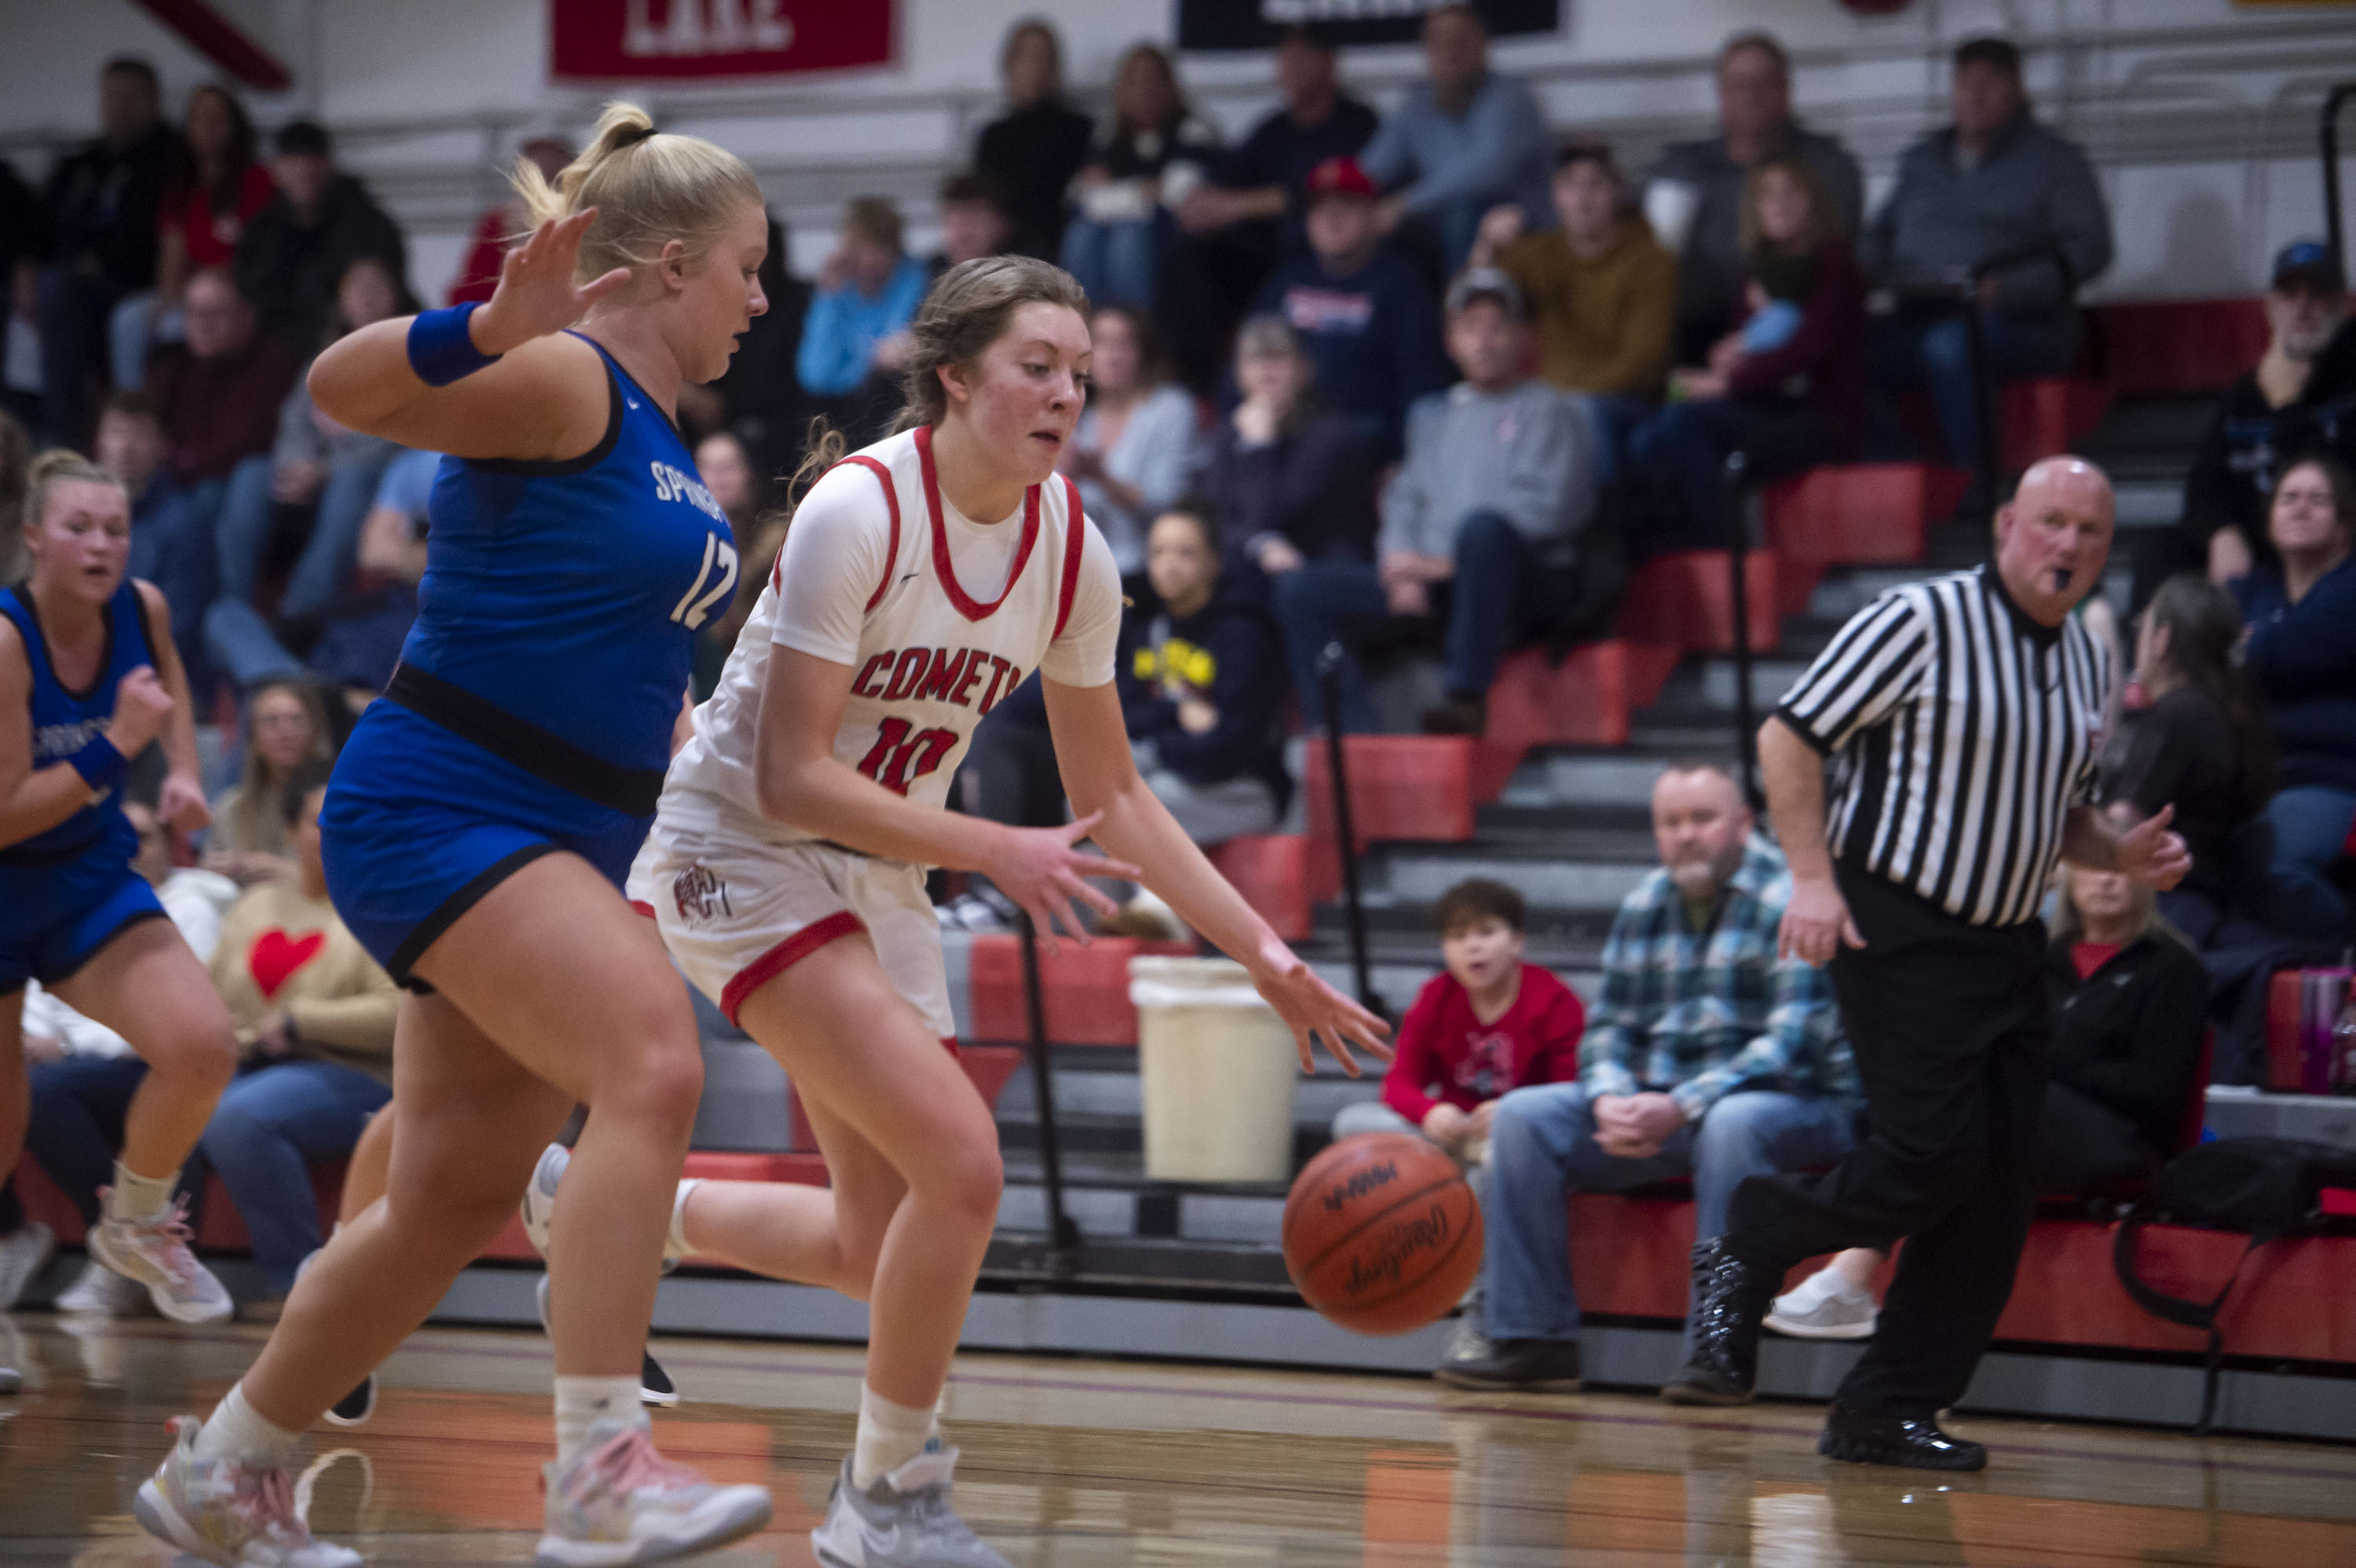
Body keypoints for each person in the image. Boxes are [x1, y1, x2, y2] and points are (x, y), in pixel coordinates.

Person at [614, 253, 1387, 1564]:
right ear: (956, 376)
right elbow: (789, 770)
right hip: (739, 845)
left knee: (880, 1241)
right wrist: (997, 845)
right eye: (1038, 366)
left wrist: (1265, 952)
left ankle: (612, 1208)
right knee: (964, 1166)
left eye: (1081, 375)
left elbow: (1121, 798)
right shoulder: (857, 510)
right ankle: (885, 1498)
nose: (1066, 394)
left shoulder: (1074, 550)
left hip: (877, 870)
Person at [133, 103, 777, 1566]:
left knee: (443, 1201)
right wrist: (487, 321)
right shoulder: (562, 376)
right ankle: (601, 1467)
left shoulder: (668, 434)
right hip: (447, 806)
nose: (760, 297)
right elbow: (338, 389)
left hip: (550, 828)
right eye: (747, 267)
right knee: (652, 1060)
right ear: (671, 264)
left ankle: (225, 1469)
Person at [1685, 458, 2190, 1471]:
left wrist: (2117, 853)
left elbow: (2065, 817)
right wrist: (1812, 880)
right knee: (1931, 1159)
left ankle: (1886, 1407)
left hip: (2009, 944)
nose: (2070, 546)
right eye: (2051, 522)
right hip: (1897, 922)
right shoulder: (1917, 618)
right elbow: (1789, 737)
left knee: (1999, 1193)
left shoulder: (2089, 658)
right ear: (2007, 524)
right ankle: (1757, 1227)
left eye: (2091, 532)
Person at [1435, 764, 1856, 1395]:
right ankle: (1531, 1338)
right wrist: (1609, 1097)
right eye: (1671, 822)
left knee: (1732, 1123)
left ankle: (1717, 1351)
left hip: (1796, 1107)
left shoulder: (1791, 896)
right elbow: (1608, 1028)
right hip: (1670, 1106)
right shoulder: (1645, 902)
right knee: (1524, 1117)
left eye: (1703, 819)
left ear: (1743, 822)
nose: (1686, 835)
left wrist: (1678, 1105)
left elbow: (1790, 1045)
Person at [1768, 860, 2208, 1340]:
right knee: (1944, 1109)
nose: (2106, 878)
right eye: (2093, 866)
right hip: (2031, 1120)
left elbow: (2155, 1092)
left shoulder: (2172, 967)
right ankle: (1900, 1323)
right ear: (2065, 875)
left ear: (2147, 879)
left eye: (2122, 869)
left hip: (2120, 1138)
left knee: (1970, 1110)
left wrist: (2044, 1059)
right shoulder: (2041, 954)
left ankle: (1852, 1277)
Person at [2, 451, 237, 1329]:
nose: (102, 544)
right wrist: (115, 746)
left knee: (203, 1044)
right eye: (78, 527)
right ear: (34, 539)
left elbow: (167, 683)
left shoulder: (142, 606)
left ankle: (134, 1221)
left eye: (115, 528)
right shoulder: (6, 638)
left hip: (83, 873)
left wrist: (179, 768)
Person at [1273, 270, 1598, 736]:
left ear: (1522, 337)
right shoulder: (1432, 416)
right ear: (1451, 342)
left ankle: (1465, 696)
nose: (1484, 341)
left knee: (1483, 531)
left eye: (1496, 327)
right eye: (1471, 328)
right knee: (1299, 589)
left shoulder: (1554, 409)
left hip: (1523, 580)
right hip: (1433, 583)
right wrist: (1399, 562)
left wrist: (1446, 564)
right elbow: (1404, 499)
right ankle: (1345, 734)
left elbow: (1549, 512)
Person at [0, 797, 236, 1319]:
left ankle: (129, 1231)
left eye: (148, 835)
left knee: (200, 1053)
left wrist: (182, 763)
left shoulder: (187, 903)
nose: (140, 846)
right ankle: (90, 1238)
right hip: (71, 1060)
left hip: (127, 1063)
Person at [1864, 38, 2113, 478]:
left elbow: (2091, 247)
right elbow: (1875, 236)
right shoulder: (1921, 161)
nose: (1975, 94)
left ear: (2017, 90)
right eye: (1965, 82)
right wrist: (1874, 274)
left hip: (2022, 324)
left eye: (1990, 81)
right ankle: (1907, 476)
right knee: (1846, 351)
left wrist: (2010, 290)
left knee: (1951, 346)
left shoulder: (2055, 161)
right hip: (1920, 311)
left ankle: (1978, 486)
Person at [199, 762, 396, 1319]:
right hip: (249, 1060)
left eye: (349, 817)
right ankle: (160, 1270)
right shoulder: (256, 905)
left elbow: (401, 1013)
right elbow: (213, 989)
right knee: (169, 1102)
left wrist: (299, 1021)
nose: (336, 828)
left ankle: (300, 1286)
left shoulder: (382, 903)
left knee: (243, 1117)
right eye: (319, 819)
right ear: (289, 832)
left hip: (357, 1072)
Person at [1626, 153, 1866, 555]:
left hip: (1818, 415)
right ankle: (1665, 552)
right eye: (1768, 195)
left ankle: (1721, 552)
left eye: (1793, 193)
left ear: (1816, 203)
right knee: (1649, 433)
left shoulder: (1837, 268)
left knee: (1685, 425)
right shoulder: (1754, 270)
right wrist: (1730, 354)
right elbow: (1751, 342)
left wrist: (1724, 382)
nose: (1781, 204)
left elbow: (1808, 349)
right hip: (1760, 403)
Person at [203, 255, 412, 693]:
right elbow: (294, 419)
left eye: (377, 288)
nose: (367, 297)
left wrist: (325, 470)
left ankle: (299, 616)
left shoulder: (412, 353)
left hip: (366, 479)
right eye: (357, 288)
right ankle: (233, 603)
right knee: (250, 474)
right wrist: (295, 465)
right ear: (343, 299)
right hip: (307, 479)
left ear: (394, 296)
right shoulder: (327, 354)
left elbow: (399, 434)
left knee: (350, 482)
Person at [1331, 877, 1581, 1168]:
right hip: (1452, 1134)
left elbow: (1571, 1092)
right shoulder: (1436, 995)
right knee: (1353, 1123)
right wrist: (1429, 1113)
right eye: (1458, 936)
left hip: (1519, 1136)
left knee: (1520, 1153)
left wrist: (1515, 1113)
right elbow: (1399, 1082)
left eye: (1486, 933)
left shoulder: (1554, 999)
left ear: (1516, 941)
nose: (1472, 946)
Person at [1646, 32, 1864, 362]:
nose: (1751, 96)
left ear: (1786, 90)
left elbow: (1832, 258)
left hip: (1790, 331)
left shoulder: (1827, 165)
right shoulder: (1680, 167)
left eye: (1764, 83)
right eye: (1738, 85)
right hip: (1688, 331)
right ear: (1721, 94)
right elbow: (1644, 254)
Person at [2160, 241, 2356, 601]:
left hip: (2337, 564)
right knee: (2161, 550)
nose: (2304, 305)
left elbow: (2336, 489)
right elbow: (2204, 488)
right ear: (2270, 308)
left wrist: (2287, 406)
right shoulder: (2247, 396)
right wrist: (2221, 531)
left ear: (2343, 306)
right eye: (2290, 292)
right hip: (2260, 564)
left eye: (2319, 293)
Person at [2098, 574, 2277, 942]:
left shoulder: (2179, 713)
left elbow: (2123, 824)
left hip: (2161, 905)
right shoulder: (2228, 713)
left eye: (2142, 625)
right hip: (2199, 905)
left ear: (2162, 640)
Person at [1473, 140, 1677, 438]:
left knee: (1579, 416)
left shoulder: (1653, 262)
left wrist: (1566, 397)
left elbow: (1641, 365)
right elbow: (1470, 304)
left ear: (1618, 192)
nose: (1582, 200)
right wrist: (1486, 244)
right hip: (1549, 403)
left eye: (1595, 185)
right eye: (1570, 186)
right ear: (1556, 194)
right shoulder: (1538, 252)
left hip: (1623, 405)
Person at [1251, 156, 1449, 462]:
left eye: (1346, 206)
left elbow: (1420, 386)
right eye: (1320, 208)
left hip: (1363, 434)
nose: (1331, 218)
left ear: (1373, 214)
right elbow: (1247, 358)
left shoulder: (1401, 284)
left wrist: (1405, 461)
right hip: (1286, 425)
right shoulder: (1288, 280)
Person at [2233, 455, 2356, 938]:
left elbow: (2288, 650)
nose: (2301, 508)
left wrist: (2250, 645)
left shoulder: (2348, 591)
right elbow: (2202, 645)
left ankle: (2342, 960)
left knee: (2275, 865)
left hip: (2330, 776)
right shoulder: (2251, 591)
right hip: (2252, 779)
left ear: (2345, 524)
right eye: (2289, 498)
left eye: (2318, 500)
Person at [31, 57, 182, 448]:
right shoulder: (84, 163)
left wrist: (100, 261)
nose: (117, 106)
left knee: (62, 295)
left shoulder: (171, 158)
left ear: (153, 101)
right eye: (111, 96)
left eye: (129, 97)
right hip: (72, 279)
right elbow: (44, 224)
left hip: (134, 284)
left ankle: (61, 432)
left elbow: (158, 234)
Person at [1119, 504, 1290, 846]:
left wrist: (1157, 745)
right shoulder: (1144, 630)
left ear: (1214, 562)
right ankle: (1120, 901)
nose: (1169, 564)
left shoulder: (1242, 635)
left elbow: (1232, 744)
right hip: (1170, 768)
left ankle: (1152, 900)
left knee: (1142, 804)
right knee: (1086, 807)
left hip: (1242, 788)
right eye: (1158, 552)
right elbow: (1121, 717)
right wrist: (1177, 715)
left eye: (1186, 553)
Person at [142, 268, 303, 624]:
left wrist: (181, 461)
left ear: (246, 316)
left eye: (214, 313)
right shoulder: (173, 361)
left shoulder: (274, 363)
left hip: (240, 484)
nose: (201, 324)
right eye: (193, 313)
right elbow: (147, 427)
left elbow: (250, 441)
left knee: (208, 496)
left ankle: (221, 617)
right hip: (182, 479)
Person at [1176, 26, 1377, 311]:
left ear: (1329, 63)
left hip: (1322, 241)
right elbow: (1230, 174)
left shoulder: (1358, 123)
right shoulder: (1275, 128)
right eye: (1285, 61)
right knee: (1190, 237)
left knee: (1296, 230)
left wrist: (1235, 206)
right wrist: (1202, 202)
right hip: (1261, 248)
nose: (1292, 70)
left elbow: (1317, 192)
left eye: (1302, 59)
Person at [1359, 5, 1551, 273]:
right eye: (1438, 41)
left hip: (1523, 224)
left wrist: (1404, 205)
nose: (1449, 50)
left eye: (1460, 40)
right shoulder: (1417, 100)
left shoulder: (1511, 96)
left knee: (1463, 210)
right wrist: (1341, 197)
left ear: (1484, 44)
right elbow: (1374, 167)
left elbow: (1486, 170)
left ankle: (1466, 307)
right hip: (1437, 223)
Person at [111, 83, 273, 395]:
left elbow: (261, 255)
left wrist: (209, 288)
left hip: (241, 295)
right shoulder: (181, 189)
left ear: (234, 126)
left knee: (192, 324)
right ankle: (132, 414)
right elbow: (171, 259)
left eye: (217, 118)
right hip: (189, 296)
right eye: (198, 118)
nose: (207, 127)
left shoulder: (257, 180)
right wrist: (172, 298)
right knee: (129, 319)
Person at [1196, 313, 1378, 581]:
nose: (1266, 373)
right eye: (1255, 361)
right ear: (1239, 376)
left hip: (1320, 570)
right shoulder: (1228, 433)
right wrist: (1257, 545)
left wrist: (1259, 446)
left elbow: (1270, 515)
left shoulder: (1330, 436)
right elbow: (1212, 520)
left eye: (1278, 359)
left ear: (1305, 370)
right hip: (1262, 568)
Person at [1057, 44, 1222, 325]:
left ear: (1170, 85)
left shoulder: (1193, 131)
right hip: (1105, 244)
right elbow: (1078, 197)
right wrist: (1143, 190)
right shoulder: (1108, 136)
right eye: (1134, 80)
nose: (1145, 89)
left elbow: (1177, 193)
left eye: (1153, 80)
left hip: (1173, 247)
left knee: (1129, 235)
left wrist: (1111, 192)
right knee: (1081, 232)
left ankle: (1134, 337)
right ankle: (1078, 333)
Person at [232, 121, 407, 354]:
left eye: (313, 160)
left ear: (329, 164)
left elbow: (384, 290)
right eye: (294, 161)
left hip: (355, 343)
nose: (305, 169)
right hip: (277, 351)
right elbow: (253, 293)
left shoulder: (366, 223)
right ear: (276, 168)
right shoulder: (261, 231)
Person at [1059, 304, 1197, 576]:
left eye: (1124, 344)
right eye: (1101, 344)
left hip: (1148, 573)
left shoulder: (1171, 409)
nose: (1112, 356)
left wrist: (1103, 479)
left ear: (1143, 352)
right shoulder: (1072, 415)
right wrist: (1066, 482)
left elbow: (1169, 510)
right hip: (1079, 572)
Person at [796, 196, 928, 447]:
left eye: (878, 249)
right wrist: (828, 296)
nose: (869, 260)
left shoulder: (917, 282)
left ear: (894, 250)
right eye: (860, 250)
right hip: (845, 414)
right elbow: (815, 375)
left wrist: (863, 366)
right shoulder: (838, 291)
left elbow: (892, 355)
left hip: (895, 410)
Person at [95, 392, 205, 678]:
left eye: (140, 435)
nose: (126, 447)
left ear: (162, 447)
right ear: (99, 441)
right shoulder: (69, 509)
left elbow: (178, 623)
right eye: (117, 432)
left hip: (149, 668)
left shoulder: (182, 519)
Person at [972, 20, 1094, 264]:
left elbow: (1083, 195)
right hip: (1007, 242)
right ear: (1009, 65)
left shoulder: (1080, 129)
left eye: (1042, 57)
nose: (1034, 67)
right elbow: (984, 199)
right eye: (1025, 57)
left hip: (1063, 238)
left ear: (1054, 67)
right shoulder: (993, 136)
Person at [204, 677, 332, 886]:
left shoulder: (335, 803)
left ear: (315, 731)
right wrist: (225, 869)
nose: (286, 732)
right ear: (253, 737)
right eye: (271, 721)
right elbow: (209, 873)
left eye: (297, 720)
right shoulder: (230, 807)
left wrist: (279, 869)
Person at [446, 137, 573, 306]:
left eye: (553, 158)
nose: (544, 166)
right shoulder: (498, 222)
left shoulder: (580, 223)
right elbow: (468, 293)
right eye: (535, 159)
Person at [931, 172, 1015, 276]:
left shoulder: (1025, 280)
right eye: (955, 224)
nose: (964, 234)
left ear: (1001, 226)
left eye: (974, 223)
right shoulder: (925, 278)